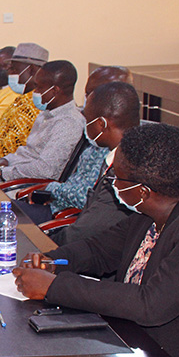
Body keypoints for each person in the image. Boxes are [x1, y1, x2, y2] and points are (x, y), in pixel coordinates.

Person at [14, 123, 179, 357]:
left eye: (116, 177)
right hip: (126, 340)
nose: (111, 183)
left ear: (142, 191)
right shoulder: (147, 216)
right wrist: (53, 261)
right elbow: (98, 251)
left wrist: (54, 287)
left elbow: (150, 303)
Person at [48, 81, 142, 245]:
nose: (84, 125)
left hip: (95, 252)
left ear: (101, 124)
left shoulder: (124, 171)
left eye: (87, 119)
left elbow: (86, 230)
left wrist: (44, 246)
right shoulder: (119, 156)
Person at [33, 66, 134, 215]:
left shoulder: (120, 151)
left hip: (65, 216)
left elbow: (87, 197)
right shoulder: (96, 137)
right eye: (88, 94)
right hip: (57, 205)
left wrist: (52, 189)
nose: (91, 99)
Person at [0, 60, 82, 182]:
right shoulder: (46, 113)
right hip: (14, 174)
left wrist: (3, 174)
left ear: (55, 91)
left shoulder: (68, 124)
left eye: (39, 88)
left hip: (26, 185)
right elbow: (29, 152)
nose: (35, 92)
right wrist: (7, 160)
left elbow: (45, 169)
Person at [0, 42, 48, 161]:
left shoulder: (35, 105)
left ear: (32, 70)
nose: (10, 74)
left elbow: (8, 149)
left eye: (13, 69)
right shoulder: (21, 99)